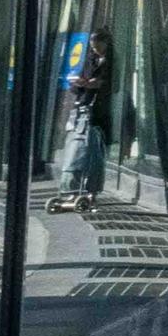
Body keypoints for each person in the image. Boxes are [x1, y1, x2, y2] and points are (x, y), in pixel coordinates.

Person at [52, 35, 115, 212]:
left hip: (99, 114)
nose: (95, 49)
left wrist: (100, 85)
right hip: (83, 107)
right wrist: (80, 83)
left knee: (94, 153)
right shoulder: (90, 60)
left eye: (98, 46)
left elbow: (113, 86)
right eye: (93, 46)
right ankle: (73, 188)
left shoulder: (112, 63)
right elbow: (76, 86)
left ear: (105, 44)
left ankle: (91, 191)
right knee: (76, 150)